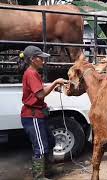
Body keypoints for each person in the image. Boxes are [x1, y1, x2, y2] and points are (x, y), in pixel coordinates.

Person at [20, 45, 66, 179]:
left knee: (50, 142)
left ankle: (47, 170)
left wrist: (53, 86)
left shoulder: (33, 72)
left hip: (38, 114)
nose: (43, 61)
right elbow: (40, 95)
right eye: (41, 59)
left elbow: (39, 89)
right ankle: (39, 176)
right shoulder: (31, 73)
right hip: (32, 116)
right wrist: (55, 82)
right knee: (40, 147)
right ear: (33, 59)